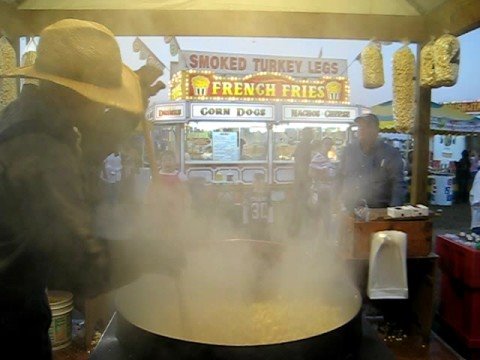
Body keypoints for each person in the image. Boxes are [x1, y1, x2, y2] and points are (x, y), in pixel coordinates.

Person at [0, 19, 172, 359]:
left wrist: (128, 110)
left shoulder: (34, 118)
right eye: (102, 97)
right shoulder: (38, 149)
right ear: (75, 95)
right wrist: (154, 253)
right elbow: (77, 264)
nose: (107, 104)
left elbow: (87, 148)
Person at [337, 114, 406, 211]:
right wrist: (335, 204)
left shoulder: (390, 153)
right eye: (360, 126)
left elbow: (398, 184)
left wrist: (393, 211)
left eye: (367, 126)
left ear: (376, 130)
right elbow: (339, 177)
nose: (362, 130)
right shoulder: (348, 151)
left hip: (378, 211)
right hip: (350, 209)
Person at [288, 127, 314, 236]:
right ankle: (297, 231)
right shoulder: (305, 146)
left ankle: (296, 231)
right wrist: (306, 182)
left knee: (299, 208)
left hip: (300, 182)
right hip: (302, 182)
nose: (312, 136)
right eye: (311, 134)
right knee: (301, 207)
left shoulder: (303, 145)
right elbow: (301, 165)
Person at [308, 137, 335, 238]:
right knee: (319, 215)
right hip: (319, 191)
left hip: (326, 191)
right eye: (326, 144)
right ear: (322, 145)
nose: (328, 147)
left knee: (326, 216)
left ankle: (324, 238)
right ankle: (316, 238)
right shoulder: (318, 157)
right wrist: (322, 176)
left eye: (330, 145)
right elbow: (310, 173)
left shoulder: (327, 158)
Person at [243, 173, 274, 240]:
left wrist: (270, 221)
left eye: (260, 182)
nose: (259, 184)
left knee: (265, 240)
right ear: (254, 183)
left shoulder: (267, 194)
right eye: (257, 182)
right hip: (253, 223)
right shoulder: (249, 194)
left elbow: (270, 208)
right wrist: (246, 222)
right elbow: (245, 209)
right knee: (253, 240)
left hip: (264, 223)